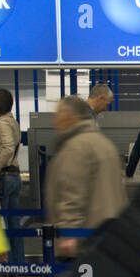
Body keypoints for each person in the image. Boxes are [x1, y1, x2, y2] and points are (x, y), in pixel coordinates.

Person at [45, 95, 127, 260]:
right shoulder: (104, 143)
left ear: (69, 117)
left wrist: (69, 234)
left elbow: (72, 194)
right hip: (108, 239)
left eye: (58, 115)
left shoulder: (76, 147)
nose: (55, 122)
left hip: (82, 242)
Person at [0, 89, 24, 267]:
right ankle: (19, 264)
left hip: (6, 176)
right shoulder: (13, 122)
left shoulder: (1, 124)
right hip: (16, 176)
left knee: (3, 224)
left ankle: (8, 266)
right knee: (14, 223)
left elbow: (8, 148)